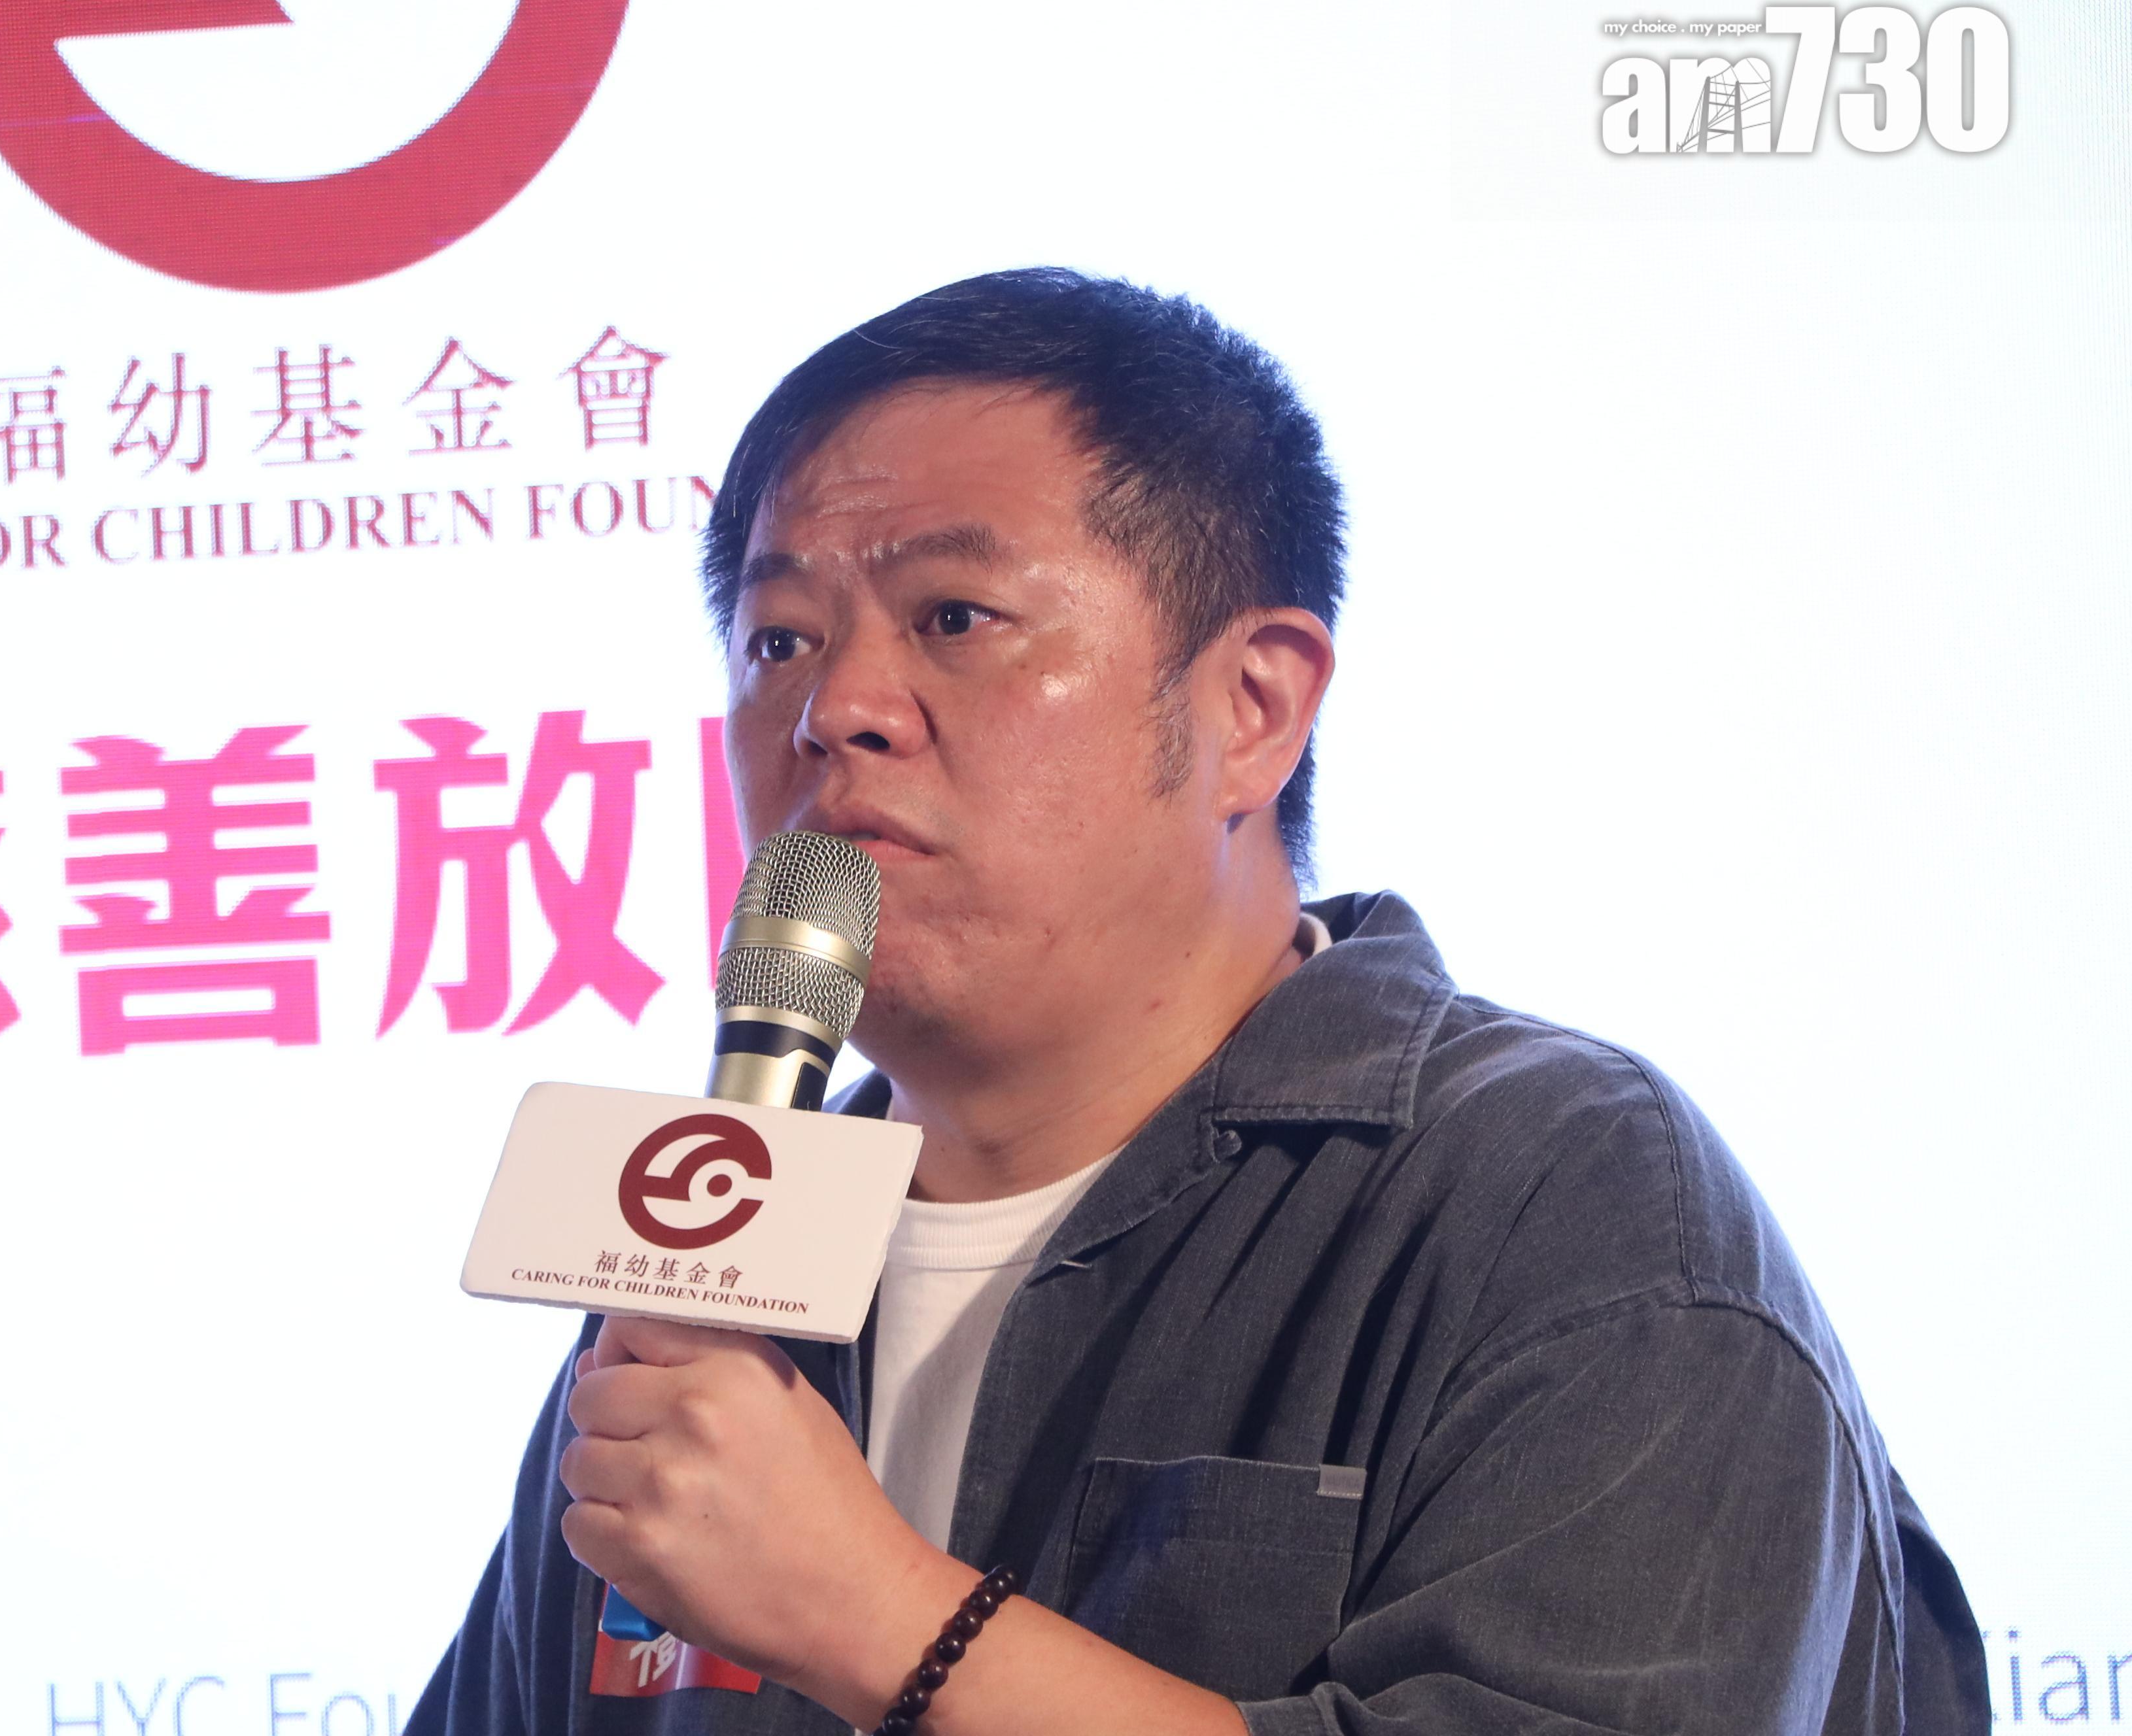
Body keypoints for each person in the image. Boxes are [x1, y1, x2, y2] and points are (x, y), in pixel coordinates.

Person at [410, 268, 1986, 1735]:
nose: (836, 710)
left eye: (954, 618)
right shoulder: (712, 1270)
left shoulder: (1558, 1193)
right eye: (778, 641)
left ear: (1252, 708)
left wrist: (877, 1615)